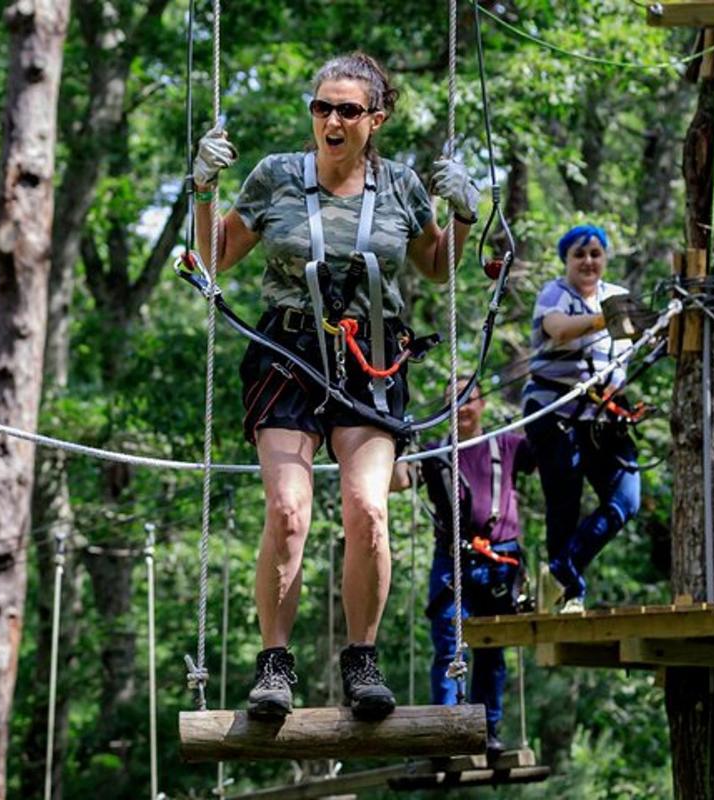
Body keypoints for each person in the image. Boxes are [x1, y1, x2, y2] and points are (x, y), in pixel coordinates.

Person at [191, 52, 480, 720]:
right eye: (322, 107)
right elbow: (216, 254)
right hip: (287, 353)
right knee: (289, 513)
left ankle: (362, 659)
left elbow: (437, 267)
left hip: (371, 357)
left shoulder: (402, 186)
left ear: (375, 119)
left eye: (348, 110)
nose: (331, 120)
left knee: (367, 509)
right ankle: (274, 665)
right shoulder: (276, 179)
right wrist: (203, 190)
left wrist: (463, 214)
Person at [394, 383, 534, 757]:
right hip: (452, 562)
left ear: (482, 404)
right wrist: (397, 441)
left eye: (467, 400)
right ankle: (448, 730)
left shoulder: (507, 445)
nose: (460, 408)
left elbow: (546, 458)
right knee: (449, 648)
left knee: (492, 652)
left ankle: (486, 732)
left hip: (499, 564)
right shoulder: (435, 453)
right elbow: (397, 482)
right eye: (451, 402)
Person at [521, 225, 641, 614]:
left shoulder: (617, 296)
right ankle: (572, 592)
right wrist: (603, 320)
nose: (588, 261)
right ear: (567, 261)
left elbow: (632, 344)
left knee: (626, 498)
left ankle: (560, 571)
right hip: (554, 413)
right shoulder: (556, 293)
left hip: (603, 417)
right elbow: (557, 330)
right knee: (564, 502)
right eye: (579, 254)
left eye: (595, 254)